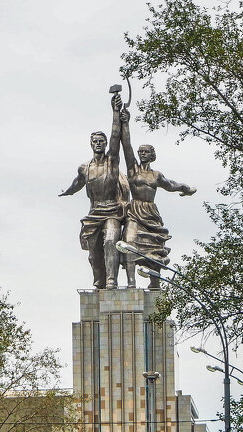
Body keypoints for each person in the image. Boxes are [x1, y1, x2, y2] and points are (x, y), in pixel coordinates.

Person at [117, 106, 195, 289]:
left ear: (152, 155)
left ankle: (155, 284)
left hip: (150, 212)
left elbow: (171, 185)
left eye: (146, 152)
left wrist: (186, 188)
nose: (142, 154)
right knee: (129, 243)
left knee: (155, 249)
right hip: (135, 211)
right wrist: (125, 123)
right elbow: (126, 145)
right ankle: (131, 283)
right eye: (140, 152)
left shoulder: (156, 175)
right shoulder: (132, 170)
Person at [60, 92, 126, 289]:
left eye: (101, 141)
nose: (98, 144)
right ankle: (100, 280)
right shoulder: (85, 167)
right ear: (91, 144)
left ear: (105, 144)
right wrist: (68, 192)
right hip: (94, 212)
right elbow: (78, 183)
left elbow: (116, 135)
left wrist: (115, 112)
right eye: (95, 141)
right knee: (93, 251)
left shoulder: (112, 161)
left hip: (112, 211)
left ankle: (112, 280)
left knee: (110, 241)